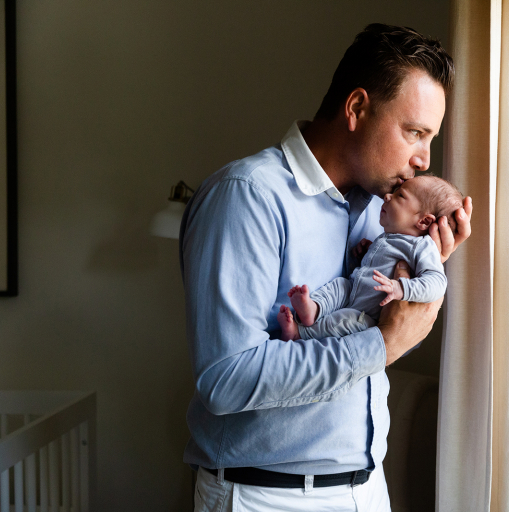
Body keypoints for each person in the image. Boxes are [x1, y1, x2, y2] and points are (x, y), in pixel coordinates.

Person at [180, 23, 473, 512]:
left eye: (430, 138)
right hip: (265, 498)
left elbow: (387, 326)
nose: (424, 159)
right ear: (357, 109)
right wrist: (381, 345)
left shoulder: (386, 215)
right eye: (414, 133)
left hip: (366, 488)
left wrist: (427, 269)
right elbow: (226, 379)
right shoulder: (247, 196)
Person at [278, 175, 464, 343]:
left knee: (344, 320)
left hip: (367, 315)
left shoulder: (423, 247)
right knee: (339, 286)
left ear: (423, 221)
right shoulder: (389, 236)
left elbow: (437, 282)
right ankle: (314, 307)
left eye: (400, 196)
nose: (387, 197)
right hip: (353, 289)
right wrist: (368, 252)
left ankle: (300, 333)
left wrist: (400, 288)